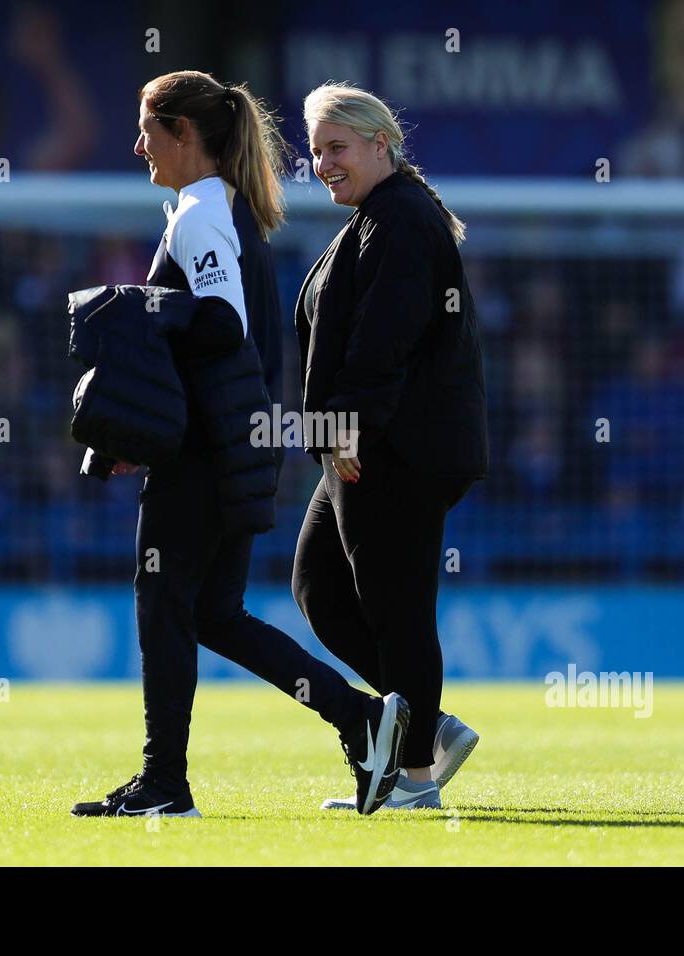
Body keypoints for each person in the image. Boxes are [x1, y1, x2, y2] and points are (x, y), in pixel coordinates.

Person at [72, 72, 406, 819]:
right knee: (215, 614)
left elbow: (221, 324)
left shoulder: (197, 213)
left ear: (184, 134)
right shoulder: (225, 211)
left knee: (164, 604)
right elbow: (221, 341)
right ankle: (360, 720)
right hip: (230, 443)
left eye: (147, 130)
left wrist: (138, 308)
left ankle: (165, 784)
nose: (137, 146)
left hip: (205, 453)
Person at [290, 83, 489, 811]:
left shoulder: (399, 219)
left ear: (381, 143)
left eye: (336, 147)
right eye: (315, 152)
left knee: (395, 609)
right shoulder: (383, 214)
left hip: (392, 446)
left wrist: (345, 426)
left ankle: (414, 778)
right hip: (368, 440)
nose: (323, 163)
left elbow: (384, 341)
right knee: (319, 589)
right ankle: (430, 731)